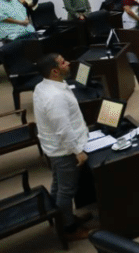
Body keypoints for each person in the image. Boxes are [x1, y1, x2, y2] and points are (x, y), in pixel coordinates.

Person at [32, 53, 92, 241]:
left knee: (58, 186)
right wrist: (78, 152)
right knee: (66, 191)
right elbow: (63, 130)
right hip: (64, 151)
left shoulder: (43, 86)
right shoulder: (55, 97)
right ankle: (69, 228)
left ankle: (63, 217)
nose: (68, 63)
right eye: (63, 62)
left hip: (54, 149)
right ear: (55, 71)